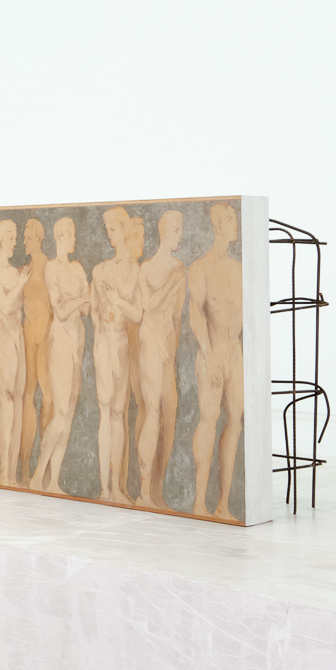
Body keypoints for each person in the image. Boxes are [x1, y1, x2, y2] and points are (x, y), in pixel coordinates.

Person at [187, 202, 244, 520]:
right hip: (212, 351)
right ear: (219, 225)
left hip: (234, 351)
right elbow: (196, 315)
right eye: (231, 220)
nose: (236, 225)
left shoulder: (238, 270)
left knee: (235, 419)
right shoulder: (201, 268)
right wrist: (210, 355)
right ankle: (199, 503)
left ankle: (223, 504)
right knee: (209, 418)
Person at [133, 210, 188, 510]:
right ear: (165, 232)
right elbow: (148, 307)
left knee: (170, 415)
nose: (181, 235)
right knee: (153, 411)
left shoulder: (179, 269)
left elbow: (176, 316)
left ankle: (156, 491)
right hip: (150, 344)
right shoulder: (148, 268)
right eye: (177, 230)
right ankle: (143, 493)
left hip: (166, 347)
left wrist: (172, 348)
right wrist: (170, 284)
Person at [32, 217, 90, 493]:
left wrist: (73, 301)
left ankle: (53, 481)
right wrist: (77, 300)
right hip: (60, 343)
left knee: (68, 417)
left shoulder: (77, 268)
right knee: (60, 413)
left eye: (74, 233)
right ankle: (37, 477)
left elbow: (86, 309)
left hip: (77, 342)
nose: (74, 238)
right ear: (60, 237)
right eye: (71, 234)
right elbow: (63, 311)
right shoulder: (51, 269)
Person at [90, 209, 144, 503]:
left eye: (113, 229)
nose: (110, 234)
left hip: (121, 345)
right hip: (104, 346)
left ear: (124, 229)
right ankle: (104, 489)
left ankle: (117, 488)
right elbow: (94, 312)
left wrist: (117, 301)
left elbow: (137, 314)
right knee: (105, 412)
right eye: (108, 229)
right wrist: (100, 331)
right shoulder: (99, 270)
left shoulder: (136, 271)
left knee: (118, 413)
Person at [0, 219, 29, 485]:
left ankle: (11, 472)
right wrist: (21, 284)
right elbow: (3, 307)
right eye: (11, 238)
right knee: (8, 400)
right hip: (3, 340)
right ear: (0, 239)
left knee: (19, 401)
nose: (15, 243)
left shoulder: (14, 271)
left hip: (17, 339)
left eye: (15, 238)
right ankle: (4, 471)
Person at [19, 218, 53, 486]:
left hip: (47, 336)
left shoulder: (49, 267)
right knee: (28, 397)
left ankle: (47, 469)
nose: (24, 242)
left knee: (48, 398)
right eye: (24, 238)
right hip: (28, 335)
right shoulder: (24, 270)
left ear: (39, 238)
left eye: (28, 238)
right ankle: (24, 468)